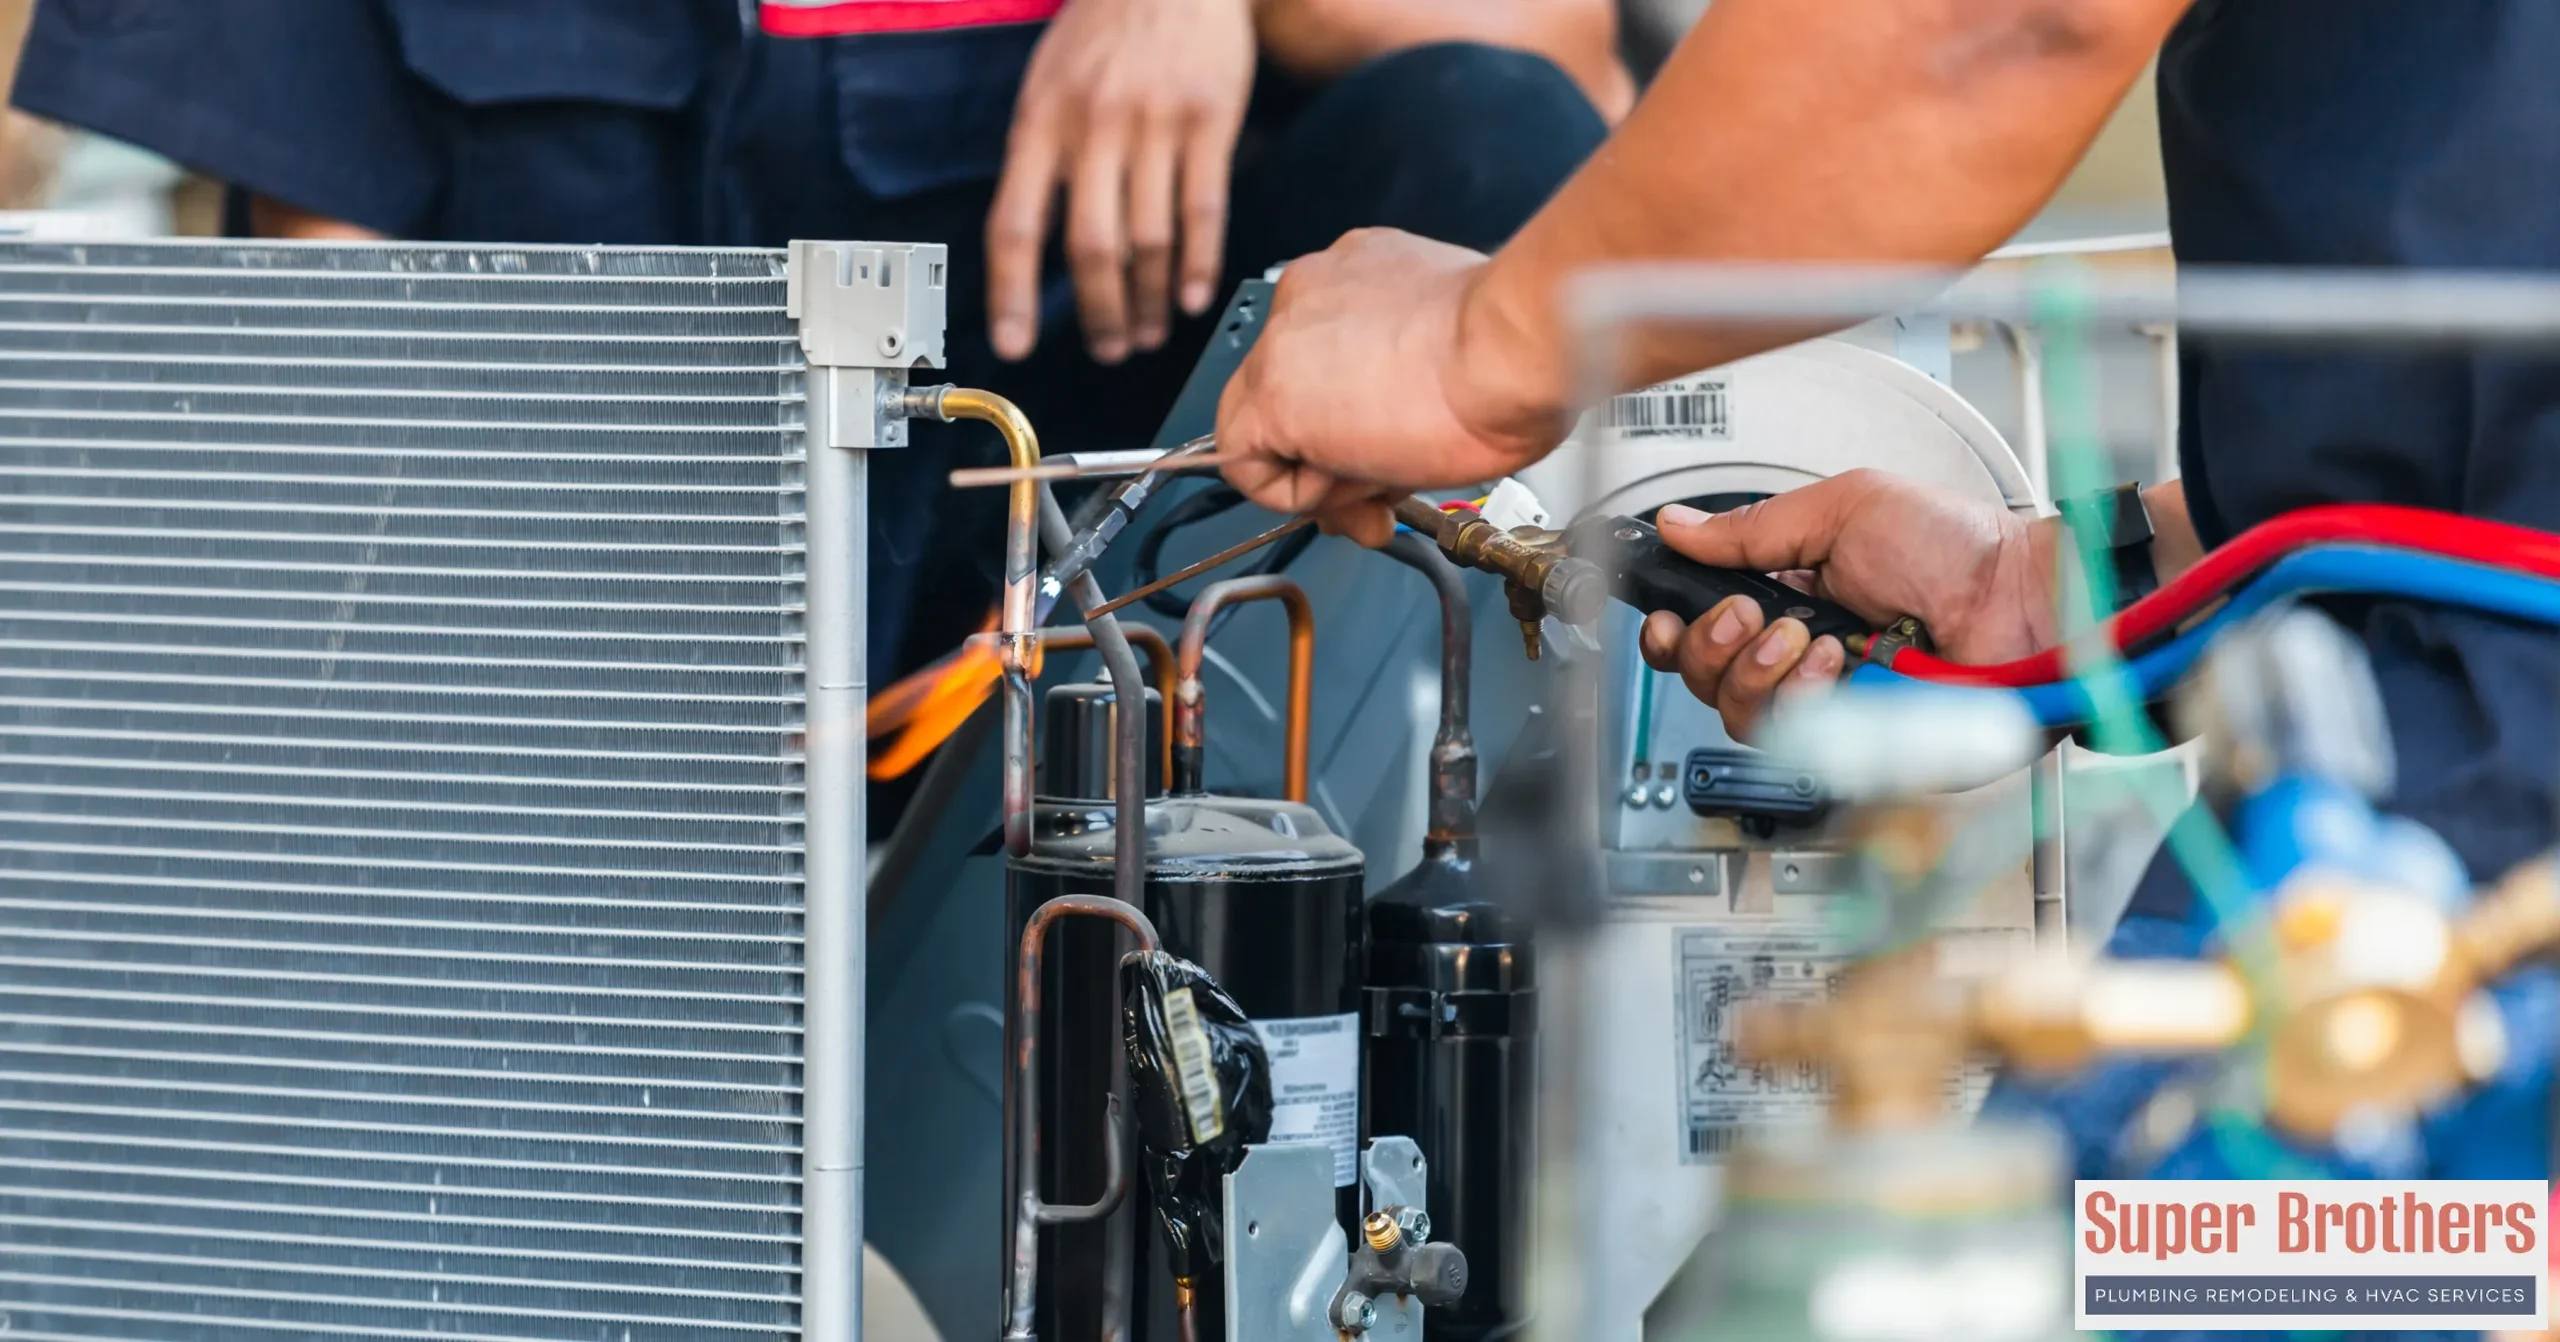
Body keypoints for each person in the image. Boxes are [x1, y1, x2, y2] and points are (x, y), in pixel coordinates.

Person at [1214, 0, 2560, 1183]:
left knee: (2130, 1258)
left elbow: (2001, 26)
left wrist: (1475, 347)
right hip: (2446, 718)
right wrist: (2043, 586)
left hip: (2477, 817)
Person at [10, 0, 1622, 691]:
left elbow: (1557, 70)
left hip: (1114, 667)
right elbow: (330, 365)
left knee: (1480, 131)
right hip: (578, 694)